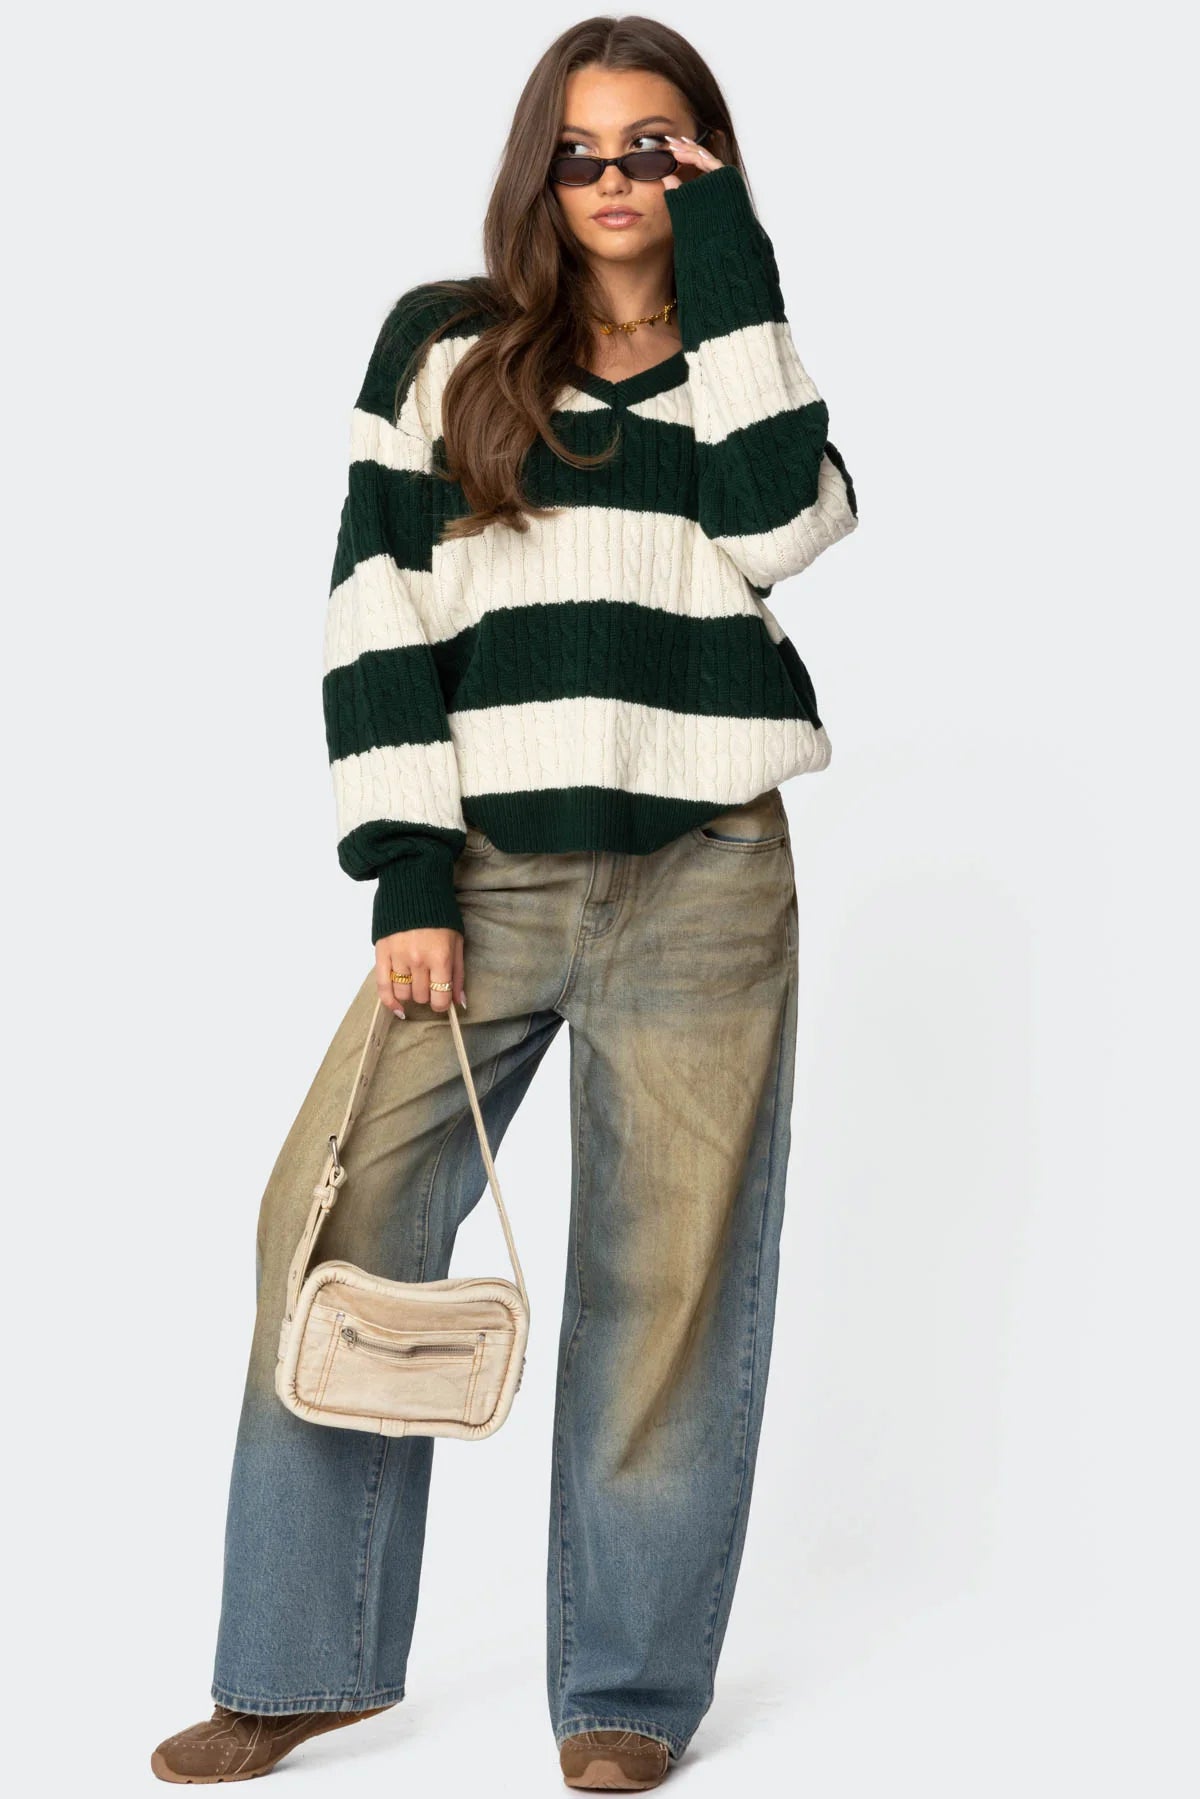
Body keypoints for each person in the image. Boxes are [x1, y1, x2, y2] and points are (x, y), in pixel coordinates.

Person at [151, 13, 858, 1790]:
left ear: (707, 165)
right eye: (583, 148)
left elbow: (781, 524)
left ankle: (623, 1695)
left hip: (708, 880)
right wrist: (408, 872)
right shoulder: (444, 344)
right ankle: (303, 1660)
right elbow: (374, 611)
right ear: (538, 165)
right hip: (481, 876)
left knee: (669, 1289)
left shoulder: (745, 356)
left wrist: (728, 251)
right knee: (333, 1225)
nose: (616, 177)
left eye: (657, 147)